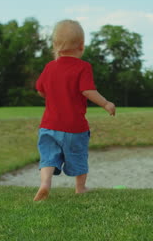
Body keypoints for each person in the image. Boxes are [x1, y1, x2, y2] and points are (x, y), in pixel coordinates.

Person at [33, 19, 115, 201]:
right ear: (81, 45)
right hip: (74, 127)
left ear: (55, 45)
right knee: (78, 156)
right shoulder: (83, 67)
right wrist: (106, 103)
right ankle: (80, 188)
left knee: (48, 157)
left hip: (49, 125)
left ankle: (45, 183)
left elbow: (40, 89)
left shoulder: (49, 67)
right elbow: (88, 91)